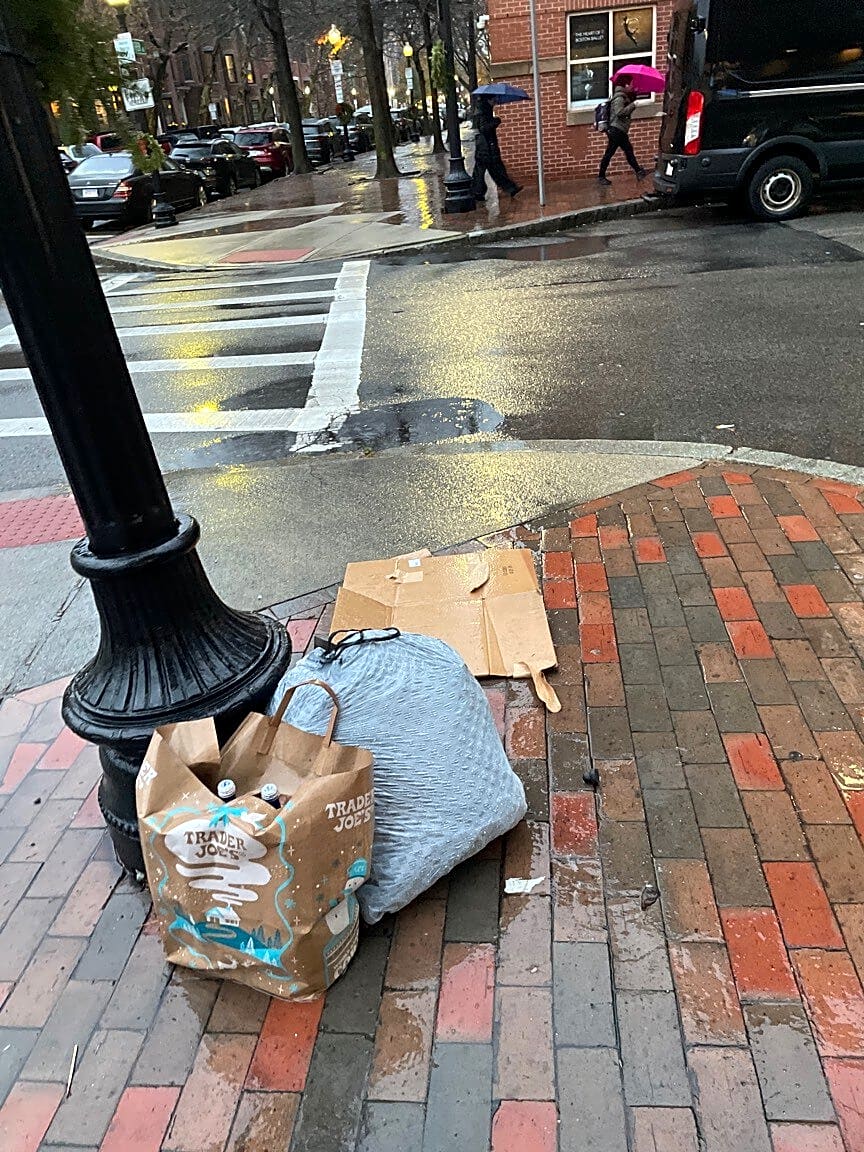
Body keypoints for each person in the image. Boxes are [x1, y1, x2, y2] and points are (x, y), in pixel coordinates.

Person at [471, 96, 522, 201]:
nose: (495, 102)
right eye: (493, 100)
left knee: (488, 169)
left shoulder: (483, 109)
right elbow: (484, 128)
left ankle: (478, 191)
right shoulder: (483, 111)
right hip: (486, 146)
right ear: (488, 99)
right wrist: (495, 121)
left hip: (484, 145)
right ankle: (478, 192)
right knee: (493, 169)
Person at [598, 79, 648, 185]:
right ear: (626, 85)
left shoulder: (623, 96)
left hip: (620, 130)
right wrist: (633, 105)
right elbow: (619, 112)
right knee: (610, 153)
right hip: (616, 130)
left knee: (628, 150)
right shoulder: (619, 97)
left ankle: (638, 171)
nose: (632, 86)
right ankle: (601, 176)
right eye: (631, 84)